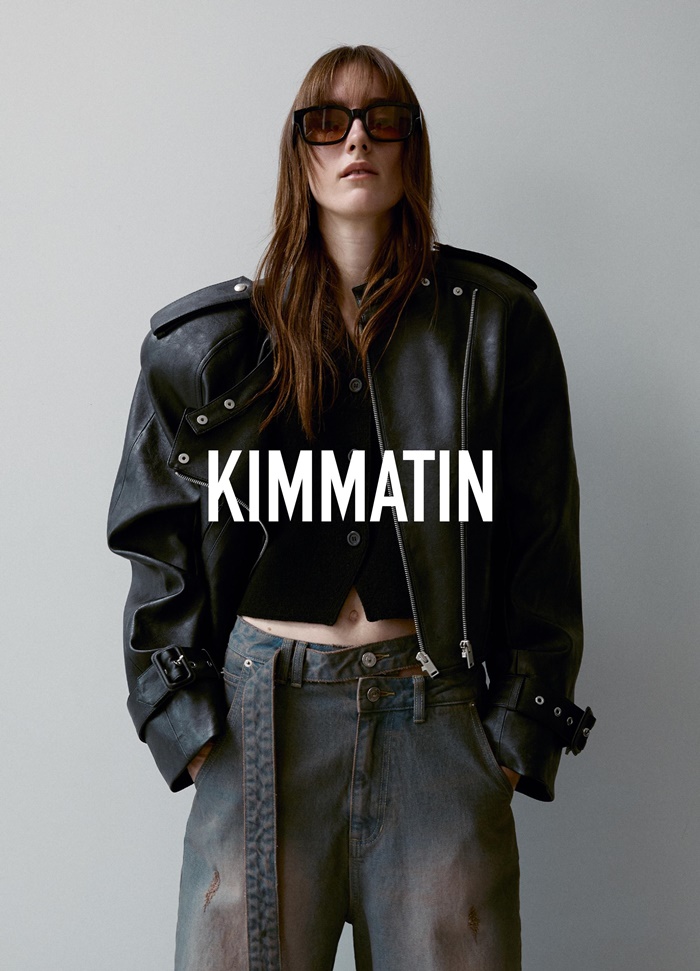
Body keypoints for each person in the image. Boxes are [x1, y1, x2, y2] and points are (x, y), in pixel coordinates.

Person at [108, 44, 595, 971]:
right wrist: (186, 725)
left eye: (384, 119)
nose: (357, 139)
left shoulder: (495, 326)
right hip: (257, 721)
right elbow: (153, 536)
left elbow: (544, 540)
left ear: (413, 148)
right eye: (328, 122)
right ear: (300, 153)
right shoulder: (208, 346)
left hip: (436, 718)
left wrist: (512, 738)